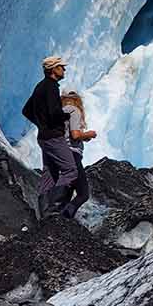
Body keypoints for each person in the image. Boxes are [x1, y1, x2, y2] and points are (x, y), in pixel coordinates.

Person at [22, 55, 77, 219]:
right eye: (61, 67)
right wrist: (65, 117)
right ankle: (54, 207)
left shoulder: (40, 87)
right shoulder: (52, 87)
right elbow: (54, 113)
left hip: (44, 137)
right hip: (54, 137)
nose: (64, 69)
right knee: (70, 170)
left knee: (50, 173)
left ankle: (42, 213)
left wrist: (41, 124)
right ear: (53, 69)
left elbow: (26, 110)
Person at [59, 90, 97, 219]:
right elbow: (75, 135)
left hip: (60, 154)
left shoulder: (60, 113)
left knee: (67, 191)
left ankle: (59, 220)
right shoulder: (73, 110)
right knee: (83, 194)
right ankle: (66, 217)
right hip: (72, 155)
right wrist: (89, 134)